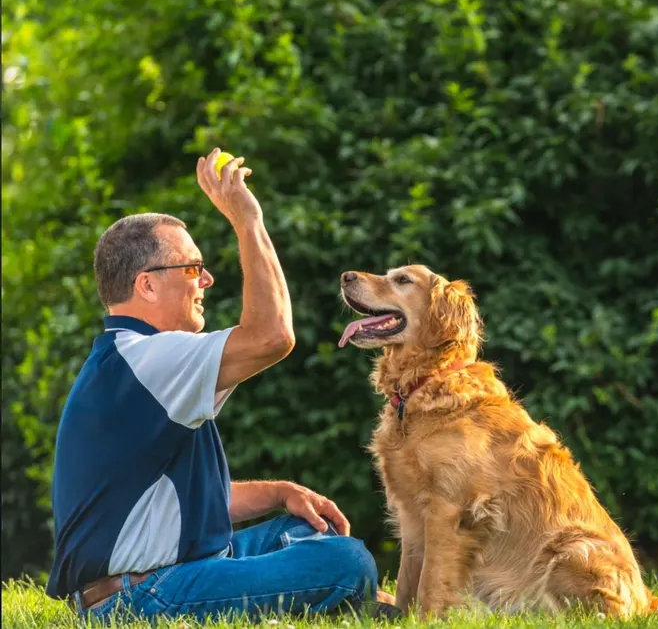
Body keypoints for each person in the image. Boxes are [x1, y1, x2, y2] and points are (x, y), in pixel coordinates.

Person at [46, 148, 401, 623]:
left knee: (305, 531)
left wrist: (279, 491)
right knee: (345, 561)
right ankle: (347, 599)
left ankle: (342, 603)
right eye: (192, 268)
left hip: (156, 578)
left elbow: (181, 506)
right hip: (140, 600)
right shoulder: (151, 357)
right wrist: (246, 219)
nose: (207, 280)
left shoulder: (134, 360)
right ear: (146, 285)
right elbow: (273, 336)